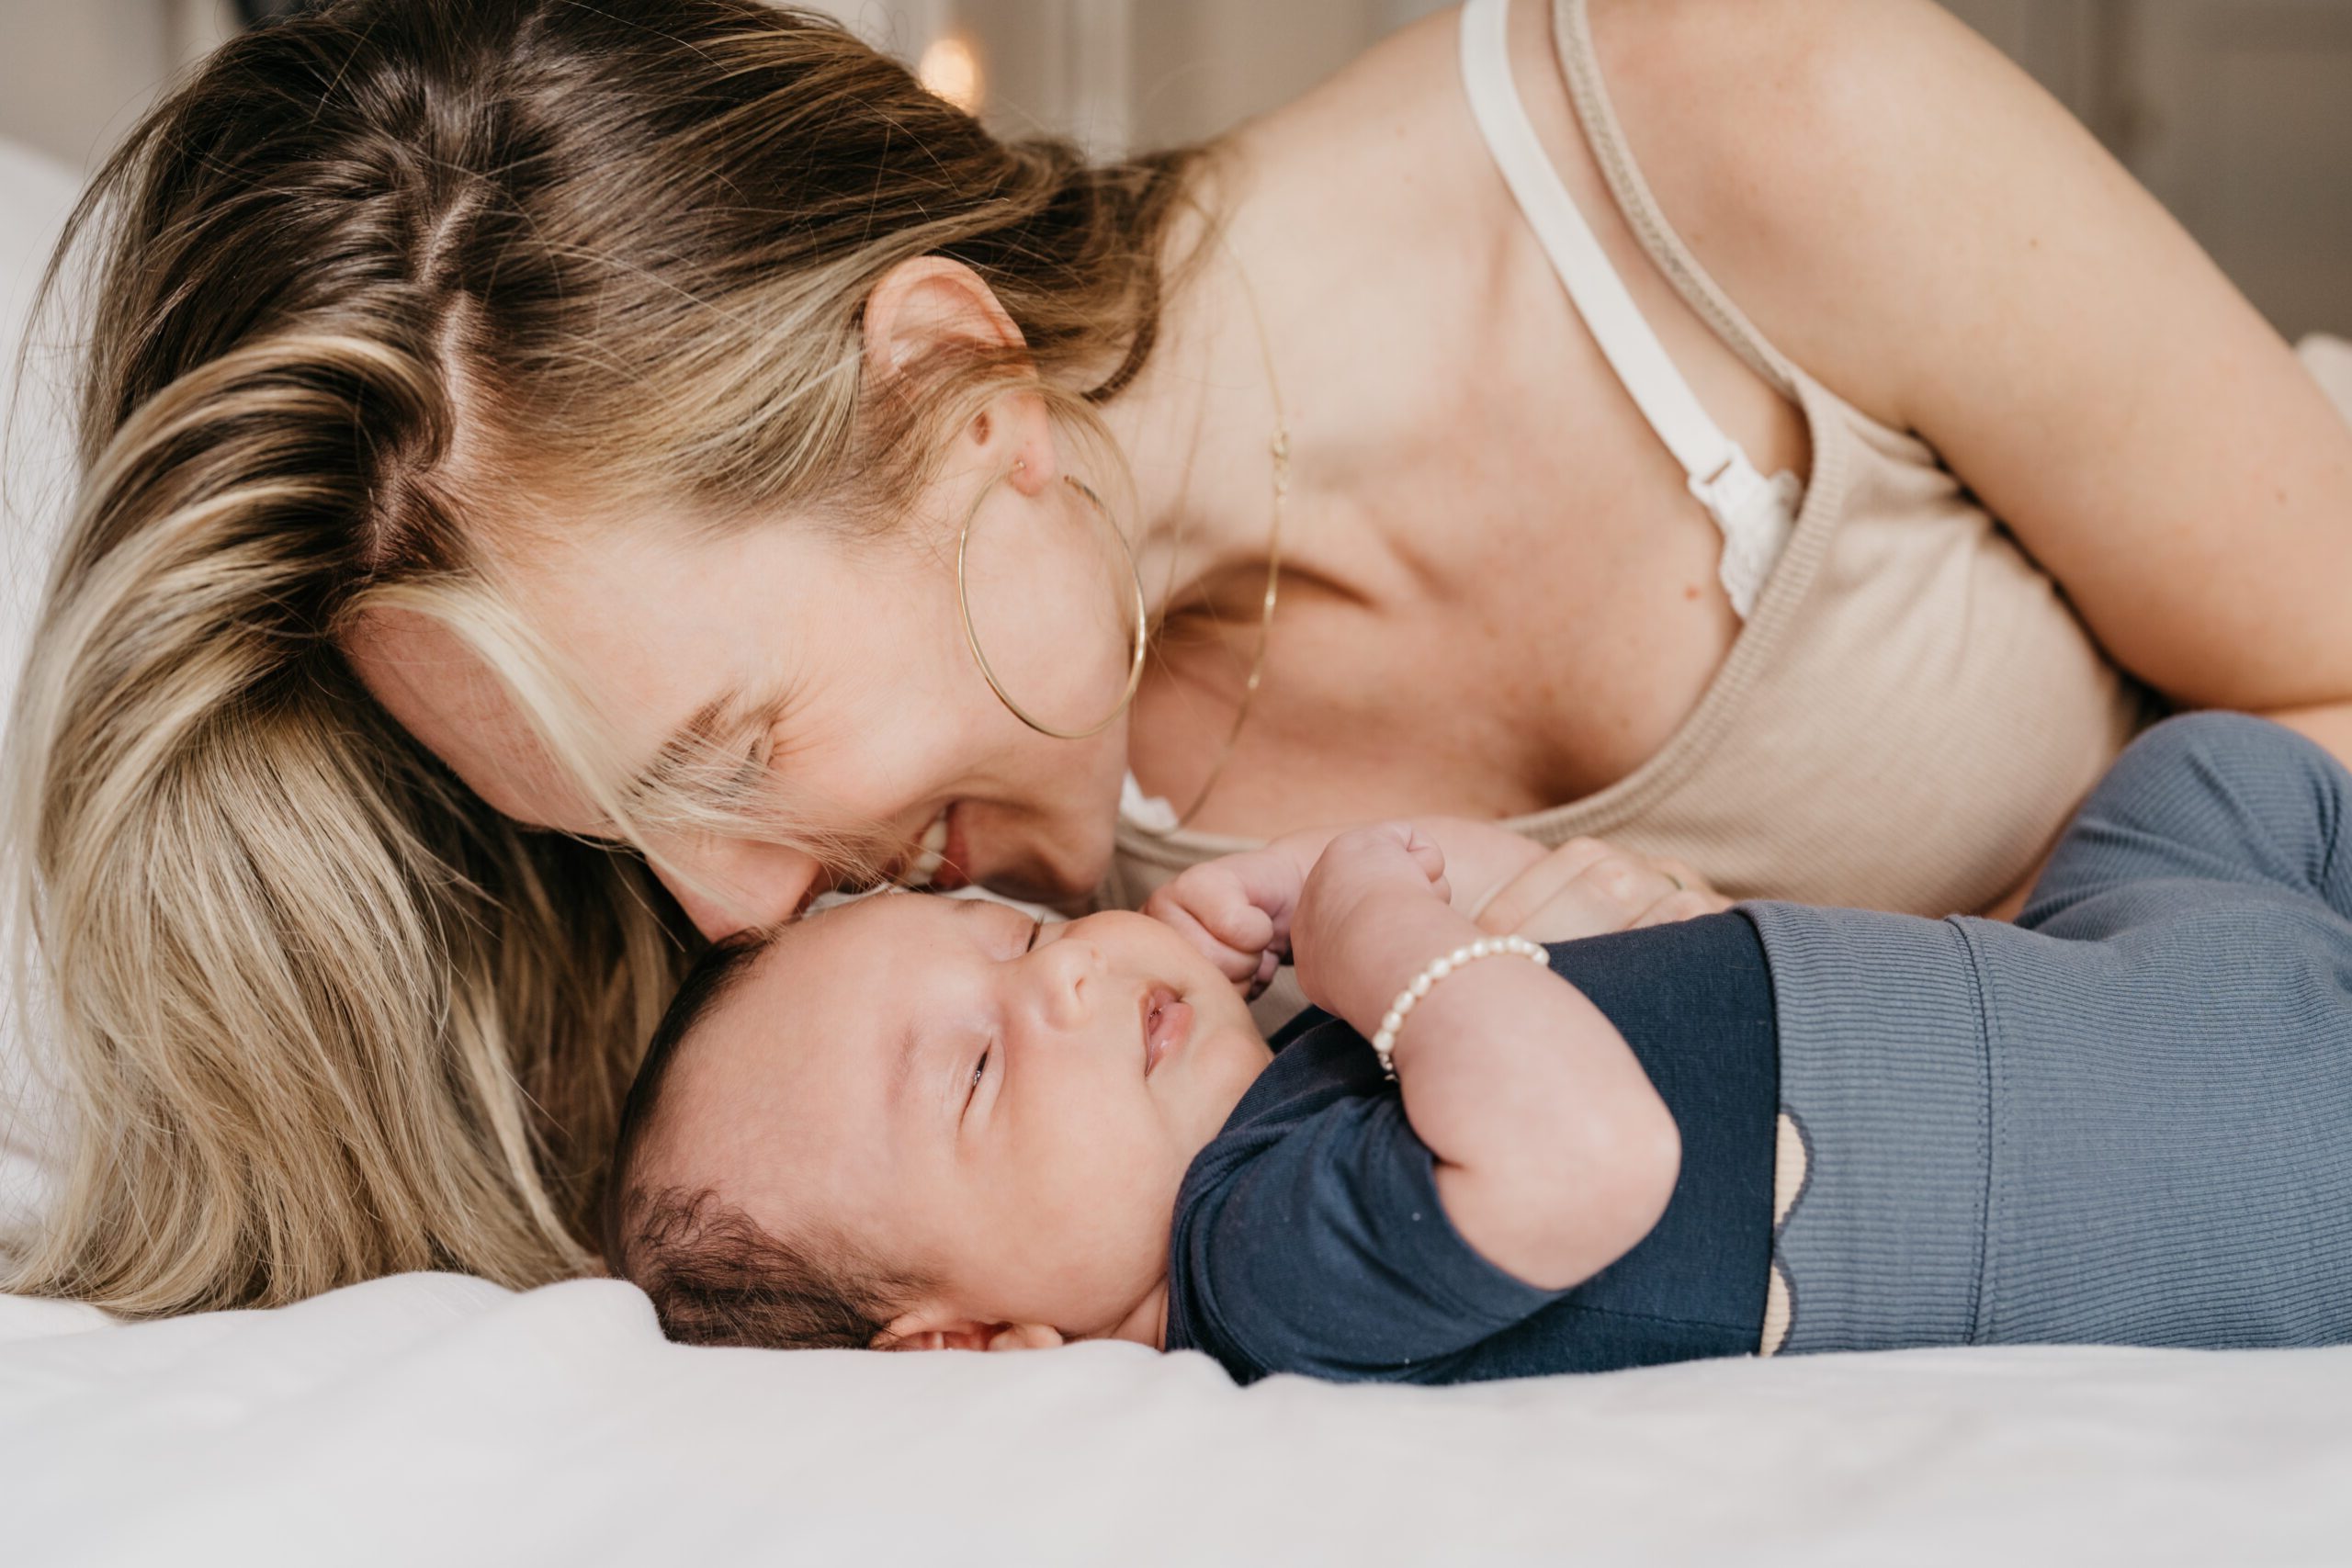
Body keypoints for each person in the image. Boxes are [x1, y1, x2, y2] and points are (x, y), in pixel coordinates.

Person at [8, 0, 2351, 1317]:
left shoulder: (1745, 126)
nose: (721, 909)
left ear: (951, 387)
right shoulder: (972, 1002)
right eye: (627, 822)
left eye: (727, 752)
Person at [605, 715, 2352, 1381]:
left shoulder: (1288, 1089)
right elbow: (1586, 1157)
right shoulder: (1262, 1261)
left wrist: (1389, 900)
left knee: (2213, 773)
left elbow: (1558, 940)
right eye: (978, 1071)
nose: (1065, 986)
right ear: (969, 1334)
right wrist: (1379, 919)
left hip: (2074, 982)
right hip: (2177, 1142)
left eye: (1038, 936)